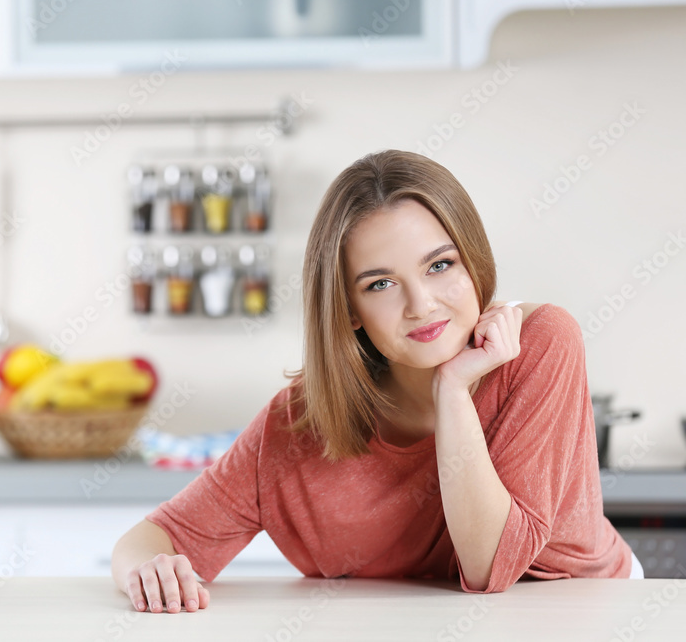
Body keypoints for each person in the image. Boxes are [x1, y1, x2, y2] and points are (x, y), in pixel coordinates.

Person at [110, 149, 639, 614]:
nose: (422, 304)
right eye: (381, 283)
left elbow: (489, 569)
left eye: (440, 265)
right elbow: (155, 538)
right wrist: (150, 571)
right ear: (350, 309)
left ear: (472, 261)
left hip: (596, 616)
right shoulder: (297, 424)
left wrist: (452, 391)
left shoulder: (540, 343)